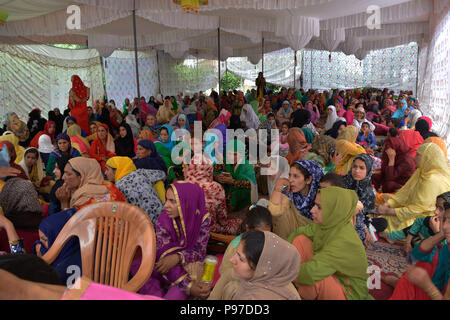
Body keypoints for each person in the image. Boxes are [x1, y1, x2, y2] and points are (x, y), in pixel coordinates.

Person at [288, 186, 373, 300]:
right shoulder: (330, 224)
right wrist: (284, 255)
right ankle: (296, 286)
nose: (312, 210)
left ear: (335, 210)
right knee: (300, 240)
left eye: (319, 207)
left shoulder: (343, 241)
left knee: (313, 281)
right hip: (333, 275)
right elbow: (300, 231)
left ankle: (297, 291)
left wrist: (284, 270)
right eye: (315, 204)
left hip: (349, 292)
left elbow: (310, 273)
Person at [131, 182, 211, 300]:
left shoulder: (202, 218)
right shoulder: (163, 220)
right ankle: (156, 295)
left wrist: (178, 257)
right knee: (138, 267)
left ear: (187, 202)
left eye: (173, 201)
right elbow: (165, 257)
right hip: (165, 264)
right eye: (166, 200)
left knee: (182, 287)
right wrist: (188, 285)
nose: (166, 206)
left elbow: (199, 251)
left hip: (190, 263)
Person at [376, 143, 450, 232]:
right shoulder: (422, 171)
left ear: (426, 158)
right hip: (410, 210)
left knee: (385, 224)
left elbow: (416, 210)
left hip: (425, 219)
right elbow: (404, 192)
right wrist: (388, 204)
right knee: (381, 217)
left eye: (418, 155)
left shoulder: (432, 180)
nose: (414, 158)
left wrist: (387, 211)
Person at [387, 200, 450, 300]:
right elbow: (414, 256)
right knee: (419, 269)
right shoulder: (446, 246)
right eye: (445, 219)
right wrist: (441, 233)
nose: (436, 212)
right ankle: (396, 282)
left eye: (441, 209)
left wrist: (428, 286)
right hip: (434, 286)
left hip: (435, 291)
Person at [208, 203, 273, 300]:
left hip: (263, 284)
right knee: (233, 289)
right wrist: (247, 275)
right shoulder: (236, 246)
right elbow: (225, 272)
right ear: (247, 228)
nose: (262, 238)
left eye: (267, 234)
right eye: (258, 233)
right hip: (237, 281)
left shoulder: (273, 243)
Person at [230, 230, 301, 300]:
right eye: (236, 253)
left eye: (241, 259)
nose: (231, 260)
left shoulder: (252, 298)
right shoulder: (278, 280)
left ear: (262, 268)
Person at [184, 152, 242, 235]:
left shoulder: (181, 187)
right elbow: (223, 221)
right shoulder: (216, 188)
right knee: (239, 223)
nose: (183, 169)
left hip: (186, 231)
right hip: (210, 231)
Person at [380, 191, 449, 255]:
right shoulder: (432, 220)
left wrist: (437, 232)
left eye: (441, 209)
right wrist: (408, 242)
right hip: (420, 243)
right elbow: (418, 222)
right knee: (413, 229)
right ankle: (391, 236)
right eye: (436, 207)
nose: (435, 212)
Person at [269, 160, 323, 240]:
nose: (290, 180)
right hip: (286, 242)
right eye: (289, 175)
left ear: (308, 180)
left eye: (296, 176)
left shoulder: (319, 200)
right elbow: (274, 212)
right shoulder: (287, 193)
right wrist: (278, 186)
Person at [343, 154, 387, 246]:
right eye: (354, 166)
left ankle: (367, 232)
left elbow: (364, 214)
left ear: (368, 170)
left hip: (358, 220)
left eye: (361, 168)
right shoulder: (342, 182)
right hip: (341, 218)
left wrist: (365, 228)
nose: (356, 171)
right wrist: (366, 230)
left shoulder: (369, 191)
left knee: (382, 222)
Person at [105, 157, 165, 225]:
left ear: (116, 170)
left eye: (107, 169)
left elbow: (115, 210)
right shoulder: (141, 173)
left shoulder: (118, 187)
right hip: (163, 215)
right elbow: (162, 174)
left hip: (145, 225)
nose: (105, 172)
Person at [214, 139, 257, 213]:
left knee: (239, 193)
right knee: (216, 185)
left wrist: (232, 181)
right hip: (228, 189)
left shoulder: (247, 165)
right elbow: (214, 172)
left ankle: (232, 206)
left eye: (235, 154)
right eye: (229, 154)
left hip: (241, 191)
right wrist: (218, 177)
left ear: (241, 154)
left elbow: (250, 184)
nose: (231, 157)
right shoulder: (224, 161)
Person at [372, 129, 416, 193]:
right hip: (394, 178)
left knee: (388, 185)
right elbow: (386, 171)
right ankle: (374, 194)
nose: (385, 150)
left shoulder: (406, 161)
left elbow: (390, 177)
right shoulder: (397, 156)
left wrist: (391, 159)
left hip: (402, 184)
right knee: (375, 177)